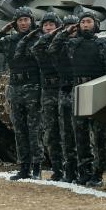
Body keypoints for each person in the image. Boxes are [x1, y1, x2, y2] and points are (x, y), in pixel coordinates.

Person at [53, 11, 106, 187]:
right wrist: (65, 31)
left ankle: (98, 173)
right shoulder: (72, 44)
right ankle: (84, 171)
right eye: (82, 22)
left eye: (89, 22)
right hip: (78, 91)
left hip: (97, 92)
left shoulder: (104, 45)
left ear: (95, 25)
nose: (85, 25)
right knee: (80, 136)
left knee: (100, 138)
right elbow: (52, 48)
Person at [0, 7, 42, 180]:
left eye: (26, 20)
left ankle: (37, 168)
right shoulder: (10, 41)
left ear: (32, 21)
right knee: (20, 130)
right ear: (15, 23)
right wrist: (3, 31)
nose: (24, 23)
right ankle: (24, 167)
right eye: (20, 20)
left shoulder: (38, 40)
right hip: (15, 88)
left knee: (34, 130)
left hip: (33, 87)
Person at [30, 12, 67, 181]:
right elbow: (35, 48)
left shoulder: (66, 43)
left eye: (52, 24)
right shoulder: (41, 45)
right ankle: (58, 169)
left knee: (67, 132)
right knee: (51, 133)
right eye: (45, 25)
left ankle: (71, 169)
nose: (48, 27)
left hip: (63, 89)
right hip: (48, 91)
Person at [49, 13, 80, 183]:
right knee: (67, 135)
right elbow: (47, 48)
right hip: (66, 92)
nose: (72, 30)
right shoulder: (59, 48)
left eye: (74, 27)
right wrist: (62, 32)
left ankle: (86, 172)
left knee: (82, 135)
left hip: (83, 91)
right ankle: (70, 172)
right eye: (68, 27)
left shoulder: (87, 44)